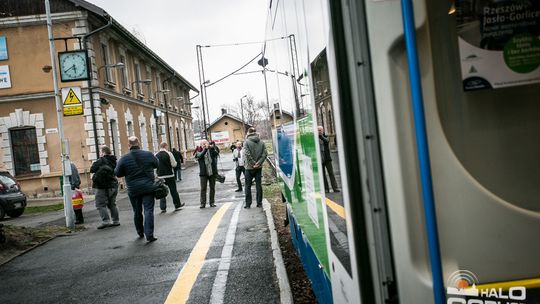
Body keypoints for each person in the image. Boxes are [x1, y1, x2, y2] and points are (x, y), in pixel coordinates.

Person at [115, 136, 159, 242]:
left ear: (129, 145)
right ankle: (149, 235)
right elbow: (156, 164)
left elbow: (117, 173)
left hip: (133, 189)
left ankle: (140, 232)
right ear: (138, 143)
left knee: (137, 211)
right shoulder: (148, 154)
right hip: (148, 187)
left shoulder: (124, 158)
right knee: (148, 210)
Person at [90, 145, 120, 229]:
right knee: (112, 204)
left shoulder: (100, 161)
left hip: (102, 186)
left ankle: (106, 221)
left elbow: (92, 169)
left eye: (100, 151)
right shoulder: (114, 160)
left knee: (100, 204)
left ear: (103, 152)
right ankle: (116, 220)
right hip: (113, 185)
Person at [156, 142, 184, 213]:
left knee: (162, 191)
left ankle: (163, 207)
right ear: (165, 146)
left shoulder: (156, 155)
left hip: (160, 176)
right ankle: (177, 205)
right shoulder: (169, 154)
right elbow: (174, 164)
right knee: (173, 190)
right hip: (169, 175)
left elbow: (155, 166)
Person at [243, 127, 267, 208]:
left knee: (247, 186)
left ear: (248, 133)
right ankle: (259, 203)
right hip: (258, 167)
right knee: (258, 185)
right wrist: (258, 163)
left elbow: (247, 154)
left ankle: (248, 204)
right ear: (255, 132)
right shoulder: (262, 142)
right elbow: (264, 154)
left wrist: (253, 163)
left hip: (249, 168)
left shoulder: (246, 142)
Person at [195, 139, 219, 208]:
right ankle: (203, 203)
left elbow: (216, 154)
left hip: (212, 172)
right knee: (203, 189)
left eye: (206, 143)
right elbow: (200, 156)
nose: (204, 145)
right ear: (200, 145)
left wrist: (212, 148)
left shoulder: (210, 150)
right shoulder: (198, 151)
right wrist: (205, 149)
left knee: (212, 188)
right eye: (203, 144)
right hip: (203, 173)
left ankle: (212, 202)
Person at [318, 126, 340, 193]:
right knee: (323, 175)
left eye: (320, 130)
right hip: (320, 159)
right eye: (318, 130)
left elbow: (326, 141)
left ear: (323, 130)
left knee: (331, 173)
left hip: (327, 159)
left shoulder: (325, 136)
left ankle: (335, 188)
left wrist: (321, 136)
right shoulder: (315, 139)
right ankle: (326, 189)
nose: (319, 131)